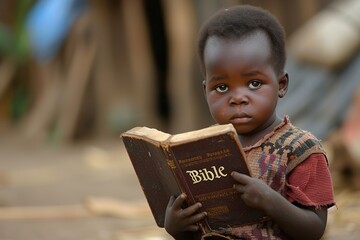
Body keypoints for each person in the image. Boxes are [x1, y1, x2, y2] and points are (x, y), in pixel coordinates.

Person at [164, 5, 335, 240]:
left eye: (254, 83)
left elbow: (314, 229)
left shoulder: (301, 149)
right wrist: (176, 227)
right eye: (222, 87)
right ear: (206, 92)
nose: (238, 98)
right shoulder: (201, 149)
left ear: (281, 84)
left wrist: (271, 202)